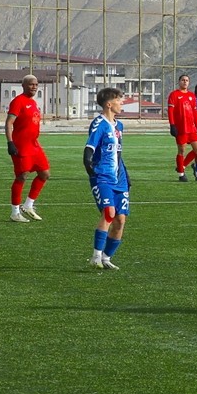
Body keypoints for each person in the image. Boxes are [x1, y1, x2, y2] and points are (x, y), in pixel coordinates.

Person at [85, 87, 130, 270]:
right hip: (102, 177)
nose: (122, 103)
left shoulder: (119, 126)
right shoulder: (99, 124)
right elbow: (90, 148)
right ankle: (95, 256)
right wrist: (89, 165)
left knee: (120, 220)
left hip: (120, 178)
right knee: (109, 213)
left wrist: (126, 175)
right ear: (109, 104)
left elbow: (118, 154)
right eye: (119, 100)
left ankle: (106, 257)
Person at [5, 74, 50, 222]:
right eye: (31, 84)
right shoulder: (18, 101)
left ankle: (28, 205)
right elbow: (9, 123)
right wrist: (10, 142)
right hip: (21, 146)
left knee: (44, 173)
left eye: (36, 84)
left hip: (34, 145)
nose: (34, 87)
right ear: (23, 85)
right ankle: (15, 212)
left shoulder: (33, 102)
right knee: (22, 176)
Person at [167, 74, 197, 182]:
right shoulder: (174, 94)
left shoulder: (191, 96)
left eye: (187, 80)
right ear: (179, 82)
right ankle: (181, 174)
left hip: (192, 128)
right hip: (181, 128)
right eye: (183, 80)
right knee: (181, 150)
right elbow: (170, 111)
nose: (185, 82)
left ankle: (182, 166)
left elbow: (195, 112)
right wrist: (172, 125)